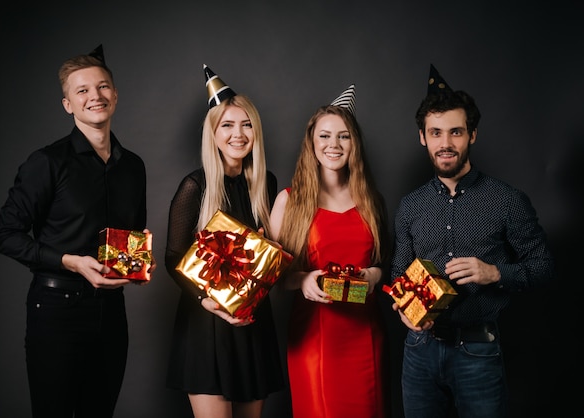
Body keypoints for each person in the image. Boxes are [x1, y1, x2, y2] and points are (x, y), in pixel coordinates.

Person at [0, 44, 155, 418]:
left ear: (115, 94)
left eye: (102, 87)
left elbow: (130, 235)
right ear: (68, 104)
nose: (94, 96)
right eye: (82, 90)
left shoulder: (133, 166)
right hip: (56, 313)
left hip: (112, 314)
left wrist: (138, 263)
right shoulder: (46, 162)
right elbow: (4, 235)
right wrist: (69, 261)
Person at [390, 64, 555, 418]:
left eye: (456, 132)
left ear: (472, 135)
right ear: (423, 137)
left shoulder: (507, 200)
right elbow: (398, 273)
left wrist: (494, 273)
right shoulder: (410, 206)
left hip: (478, 350)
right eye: (435, 133)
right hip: (418, 350)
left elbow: (544, 267)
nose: (445, 143)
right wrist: (405, 309)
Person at [164, 65, 284, 418]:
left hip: (252, 324)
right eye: (227, 125)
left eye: (246, 124)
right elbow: (173, 257)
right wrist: (205, 300)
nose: (238, 134)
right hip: (205, 327)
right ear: (213, 133)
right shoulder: (194, 187)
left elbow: (271, 257)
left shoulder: (268, 185)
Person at [269, 85, 391, 418]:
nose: (333, 145)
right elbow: (273, 278)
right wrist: (303, 279)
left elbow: (384, 263)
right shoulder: (288, 200)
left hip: (366, 334)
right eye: (324, 136)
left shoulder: (372, 201)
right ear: (311, 143)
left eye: (343, 136)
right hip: (315, 337)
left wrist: (374, 275)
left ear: (355, 144)